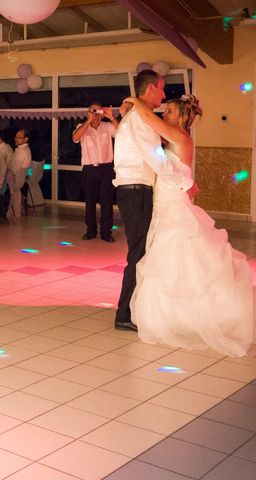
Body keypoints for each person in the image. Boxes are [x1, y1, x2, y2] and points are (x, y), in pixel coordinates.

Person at [123, 95, 254, 356]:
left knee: (176, 255)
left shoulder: (181, 137)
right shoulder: (173, 138)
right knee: (170, 258)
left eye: (170, 111)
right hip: (167, 200)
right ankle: (176, 318)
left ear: (183, 116)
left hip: (173, 202)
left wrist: (136, 101)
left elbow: (149, 120)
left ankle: (191, 319)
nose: (165, 114)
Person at [113, 70, 190, 331]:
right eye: (162, 88)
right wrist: (184, 182)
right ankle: (124, 314)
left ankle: (132, 308)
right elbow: (156, 158)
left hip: (136, 189)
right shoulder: (140, 119)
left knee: (141, 250)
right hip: (135, 190)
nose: (165, 94)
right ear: (150, 90)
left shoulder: (139, 116)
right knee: (138, 251)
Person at [72, 103, 119, 242]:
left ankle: (106, 233)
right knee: (90, 201)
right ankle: (91, 231)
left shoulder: (107, 127)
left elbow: (123, 132)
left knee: (107, 201)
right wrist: (88, 121)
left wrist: (111, 118)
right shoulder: (82, 126)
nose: (96, 114)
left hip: (106, 169)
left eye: (98, 111)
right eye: (93, 111)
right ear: (88, 112)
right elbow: (75, 138)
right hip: (89, 169)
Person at [7, 129, 32, 218]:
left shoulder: (22, 152)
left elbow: (13, 169)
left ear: (26, 139)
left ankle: (9, 212)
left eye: (19, 138)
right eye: (16, 137)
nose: (16, 139)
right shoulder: (25, 150)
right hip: (18, 182)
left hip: (14, 181)